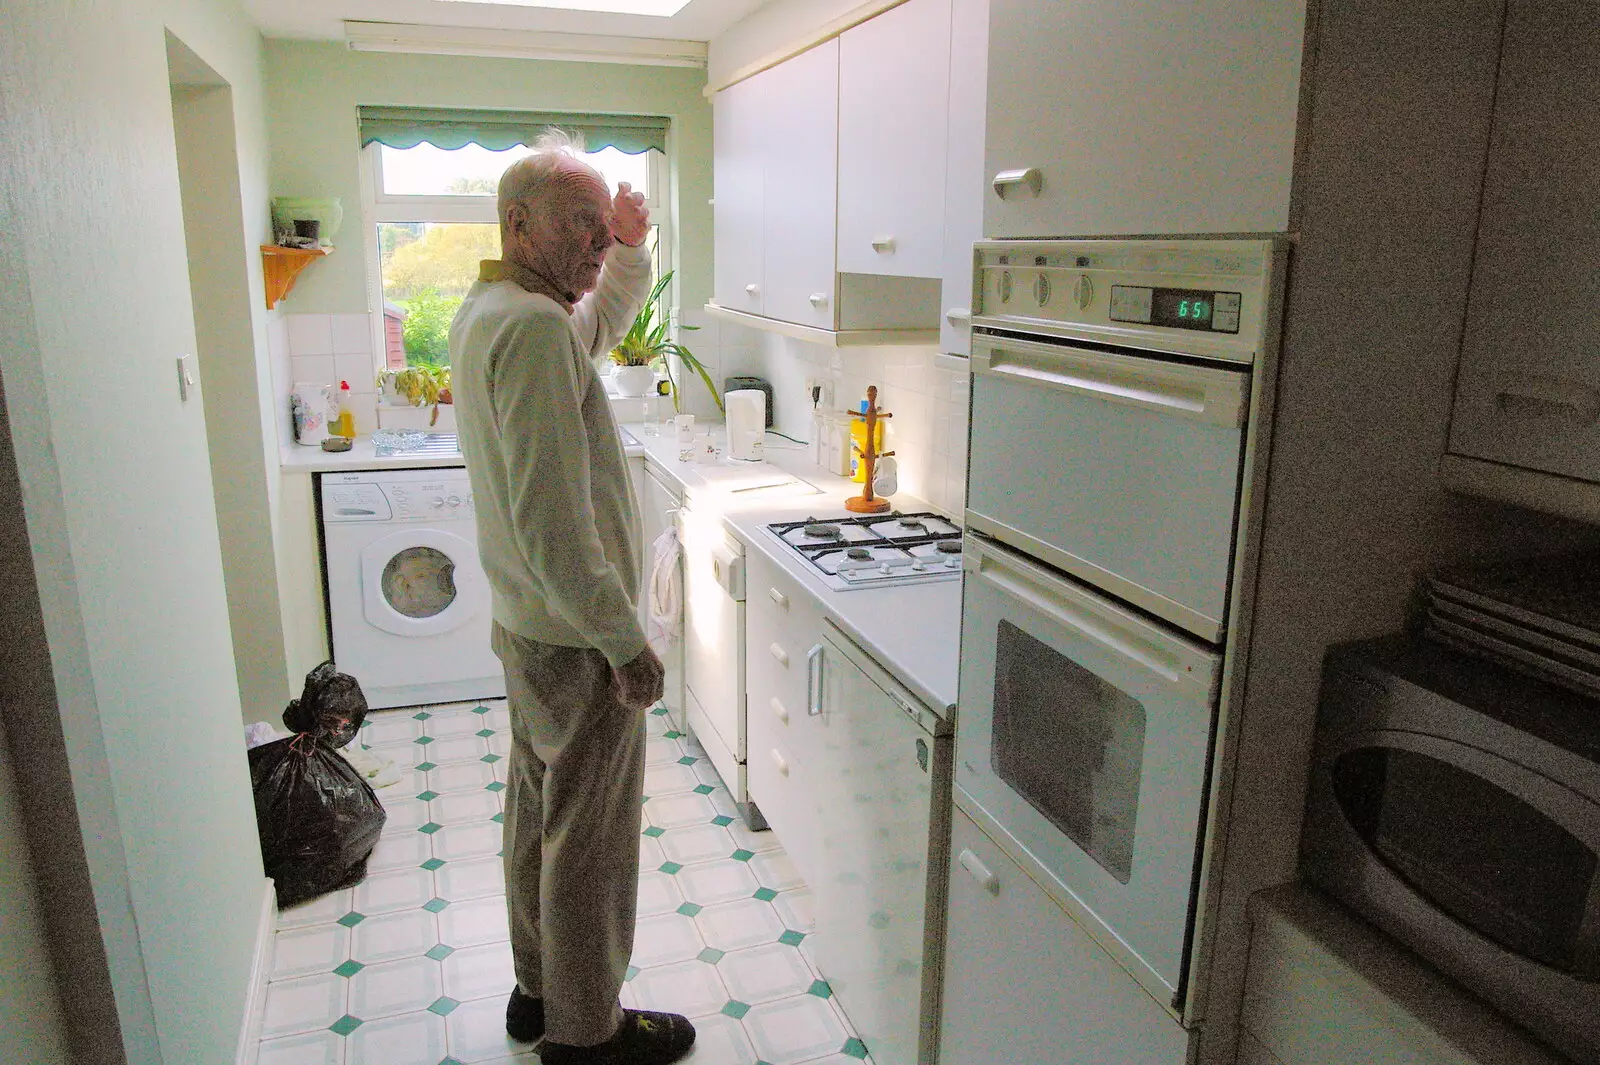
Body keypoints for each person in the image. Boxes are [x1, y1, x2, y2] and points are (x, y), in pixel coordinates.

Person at [449, 130, 692, 1065]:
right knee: (587, 836)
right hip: (574, 638)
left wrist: (629, 249)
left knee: (540, 808)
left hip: (527, 628)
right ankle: (589, 1033)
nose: (597, 242)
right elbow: (556, 522)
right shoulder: (532, 325)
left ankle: (538, 989)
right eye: (580, 226)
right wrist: (626, 642)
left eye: (603, 227)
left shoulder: (501, 308)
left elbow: (599, 324)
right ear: (517, 223)